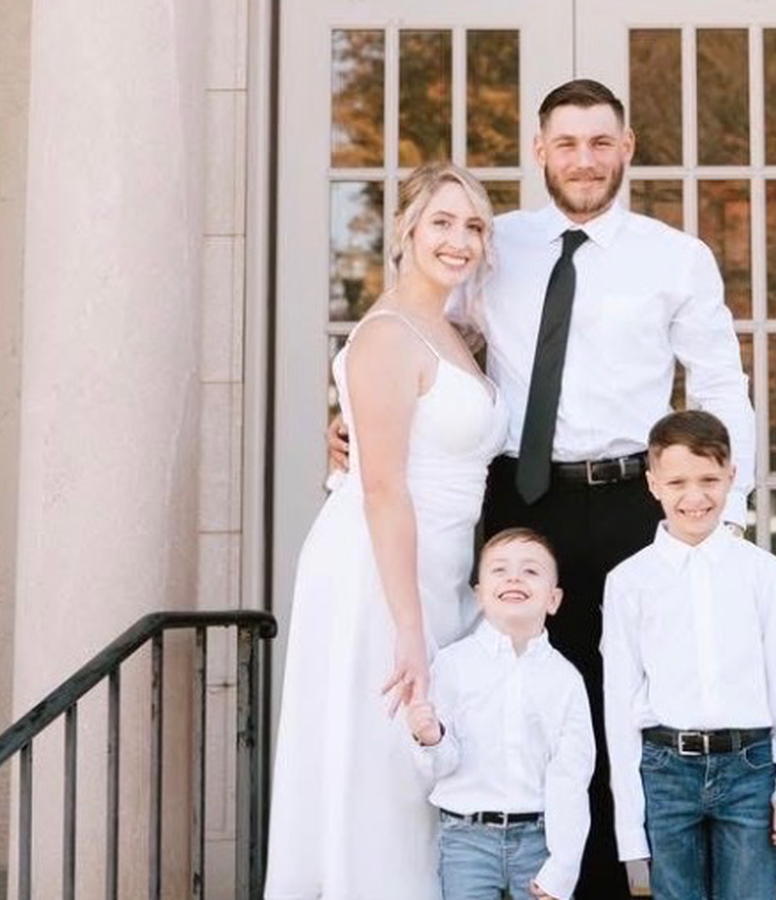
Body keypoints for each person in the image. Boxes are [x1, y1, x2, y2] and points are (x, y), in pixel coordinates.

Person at [330, 80, 755, 896]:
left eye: (600, 143)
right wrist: (352, 414)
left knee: (618, 705)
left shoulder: (676, 257)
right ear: (539, 151)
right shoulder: (497, 247)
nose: (583, 160)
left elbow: (719, 388)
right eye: (566, 143)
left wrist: (722, 518)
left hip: (632, 504)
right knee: (511, 705)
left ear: (626, 149)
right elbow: (418, 330)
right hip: (521, 503)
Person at [264, 162, 507, 900]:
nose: (459, 240)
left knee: (422, 765)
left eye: (473, 226)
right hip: (378, 569)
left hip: (441, 562)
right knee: (381, 763)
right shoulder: (387, 335)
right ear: (405, 230)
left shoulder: (455, 331)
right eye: (442, 222)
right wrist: (408, 625)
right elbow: (382, 487)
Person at [600, 410, 776, 900]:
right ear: (653, 483)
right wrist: (629, 821)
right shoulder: (629, 581)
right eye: (677, 482)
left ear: (732, 477)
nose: (694, 496)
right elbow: (620, 701)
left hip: (750, 769)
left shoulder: (762, 572)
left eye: (709, 480)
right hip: (665, 771)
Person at [406, 527, 594, 900]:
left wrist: (563, 865)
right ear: (479, 596)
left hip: (539, 839)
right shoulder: (453, 665)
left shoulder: (565, 680)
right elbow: (440, 766)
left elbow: (572, 776)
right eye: (500, 569)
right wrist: (431, 738)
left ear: (553, 599)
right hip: (466, 840)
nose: (514, 578)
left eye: (531, 571)